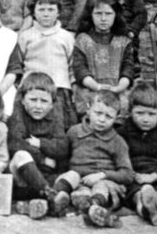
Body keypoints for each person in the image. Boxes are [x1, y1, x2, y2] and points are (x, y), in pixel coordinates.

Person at [52, 91, 133, 228]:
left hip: (104, 184)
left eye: (108, 116)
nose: (102, 119)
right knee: (72, 176)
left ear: (116, 118)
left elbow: (128, 174)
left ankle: (94, 208)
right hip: (79, 183)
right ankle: (59, 198)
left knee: (100, 186)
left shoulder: (118, 141)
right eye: (98, 113)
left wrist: (102, 175)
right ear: (88, 109)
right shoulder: (74, 132)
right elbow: (63, 158)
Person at [117, 82, 157, 226]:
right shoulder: (123, 132)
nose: (146, 119)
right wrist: (129, 175)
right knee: (137, 193)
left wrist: (153, 176)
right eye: (139, 113)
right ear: (130, 111)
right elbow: (117, 158)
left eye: (152, 114)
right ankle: (150, 207)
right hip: (135, 178)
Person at [7, 73, 70, 219]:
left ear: (52, 104)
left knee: (73, 175)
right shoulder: (17, 116)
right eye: (33, 99)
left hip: (48, 177)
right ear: (23, 100)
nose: (38, 105)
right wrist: (43, 159)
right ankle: (51, 197)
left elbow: (63, 147)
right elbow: (16, 144)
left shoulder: (55, 119)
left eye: (43, 101)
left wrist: (40, 143)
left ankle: (41, 202)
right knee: (21, 155)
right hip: (23, 179)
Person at [18, 0, 77, 130]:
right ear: (33, 12)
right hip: (31, 88)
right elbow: (19, 62)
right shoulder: (25, 36)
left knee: (57, 127)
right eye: (41, 9)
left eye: (51, 9)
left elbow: (72, 65)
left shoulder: (66, 37)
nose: (46, 14)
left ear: (58, 12)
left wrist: (74, 88)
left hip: (59, 89)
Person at [72, 0, 134, 117]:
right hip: (91, 90)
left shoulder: (123, 40)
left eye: (108, 14)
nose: (103, 18)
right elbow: (80, 69)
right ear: (91, 15)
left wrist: (120, 87)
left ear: (116, 15)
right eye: (98, 14)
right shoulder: (83, 40)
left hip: (117, 90)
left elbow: (129, 67)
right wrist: (97, 86)